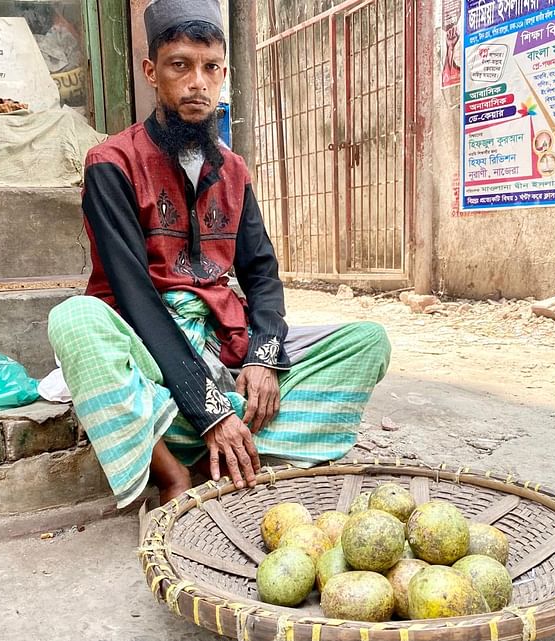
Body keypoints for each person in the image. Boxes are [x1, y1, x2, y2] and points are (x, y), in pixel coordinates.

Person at [47, 0, 391, 507]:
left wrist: (264, 356)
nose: (197, 83)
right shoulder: (110, 162)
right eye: (180, 65)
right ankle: (173, 471)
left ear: (223, 75)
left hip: (219, 344)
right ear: (152, 72)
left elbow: (262, 274)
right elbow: (136, 299)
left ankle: (213, 442)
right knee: (75, 321)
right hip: (146, 345)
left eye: (210, 68)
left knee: (367, 340)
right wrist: (212, 409)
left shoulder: (233, 170)